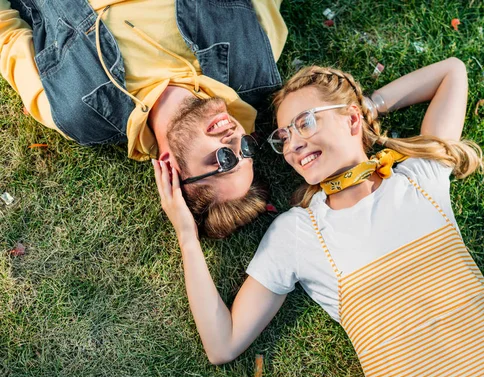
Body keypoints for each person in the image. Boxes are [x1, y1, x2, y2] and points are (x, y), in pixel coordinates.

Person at [153, 57, 484, 377]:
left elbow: (452, 71)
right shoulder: (299, 234)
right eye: (284, 136)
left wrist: (368, 106)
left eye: (305, 123)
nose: (292, 143)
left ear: (349, 120)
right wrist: (186, 235)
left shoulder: (420, 178)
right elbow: (222, 344)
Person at [0, 0, 287, 238]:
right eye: (245, 151)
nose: (235, 140)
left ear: (171, 171)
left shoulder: (79, 111)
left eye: (224, 159)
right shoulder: (253, 60)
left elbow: (5, 33)